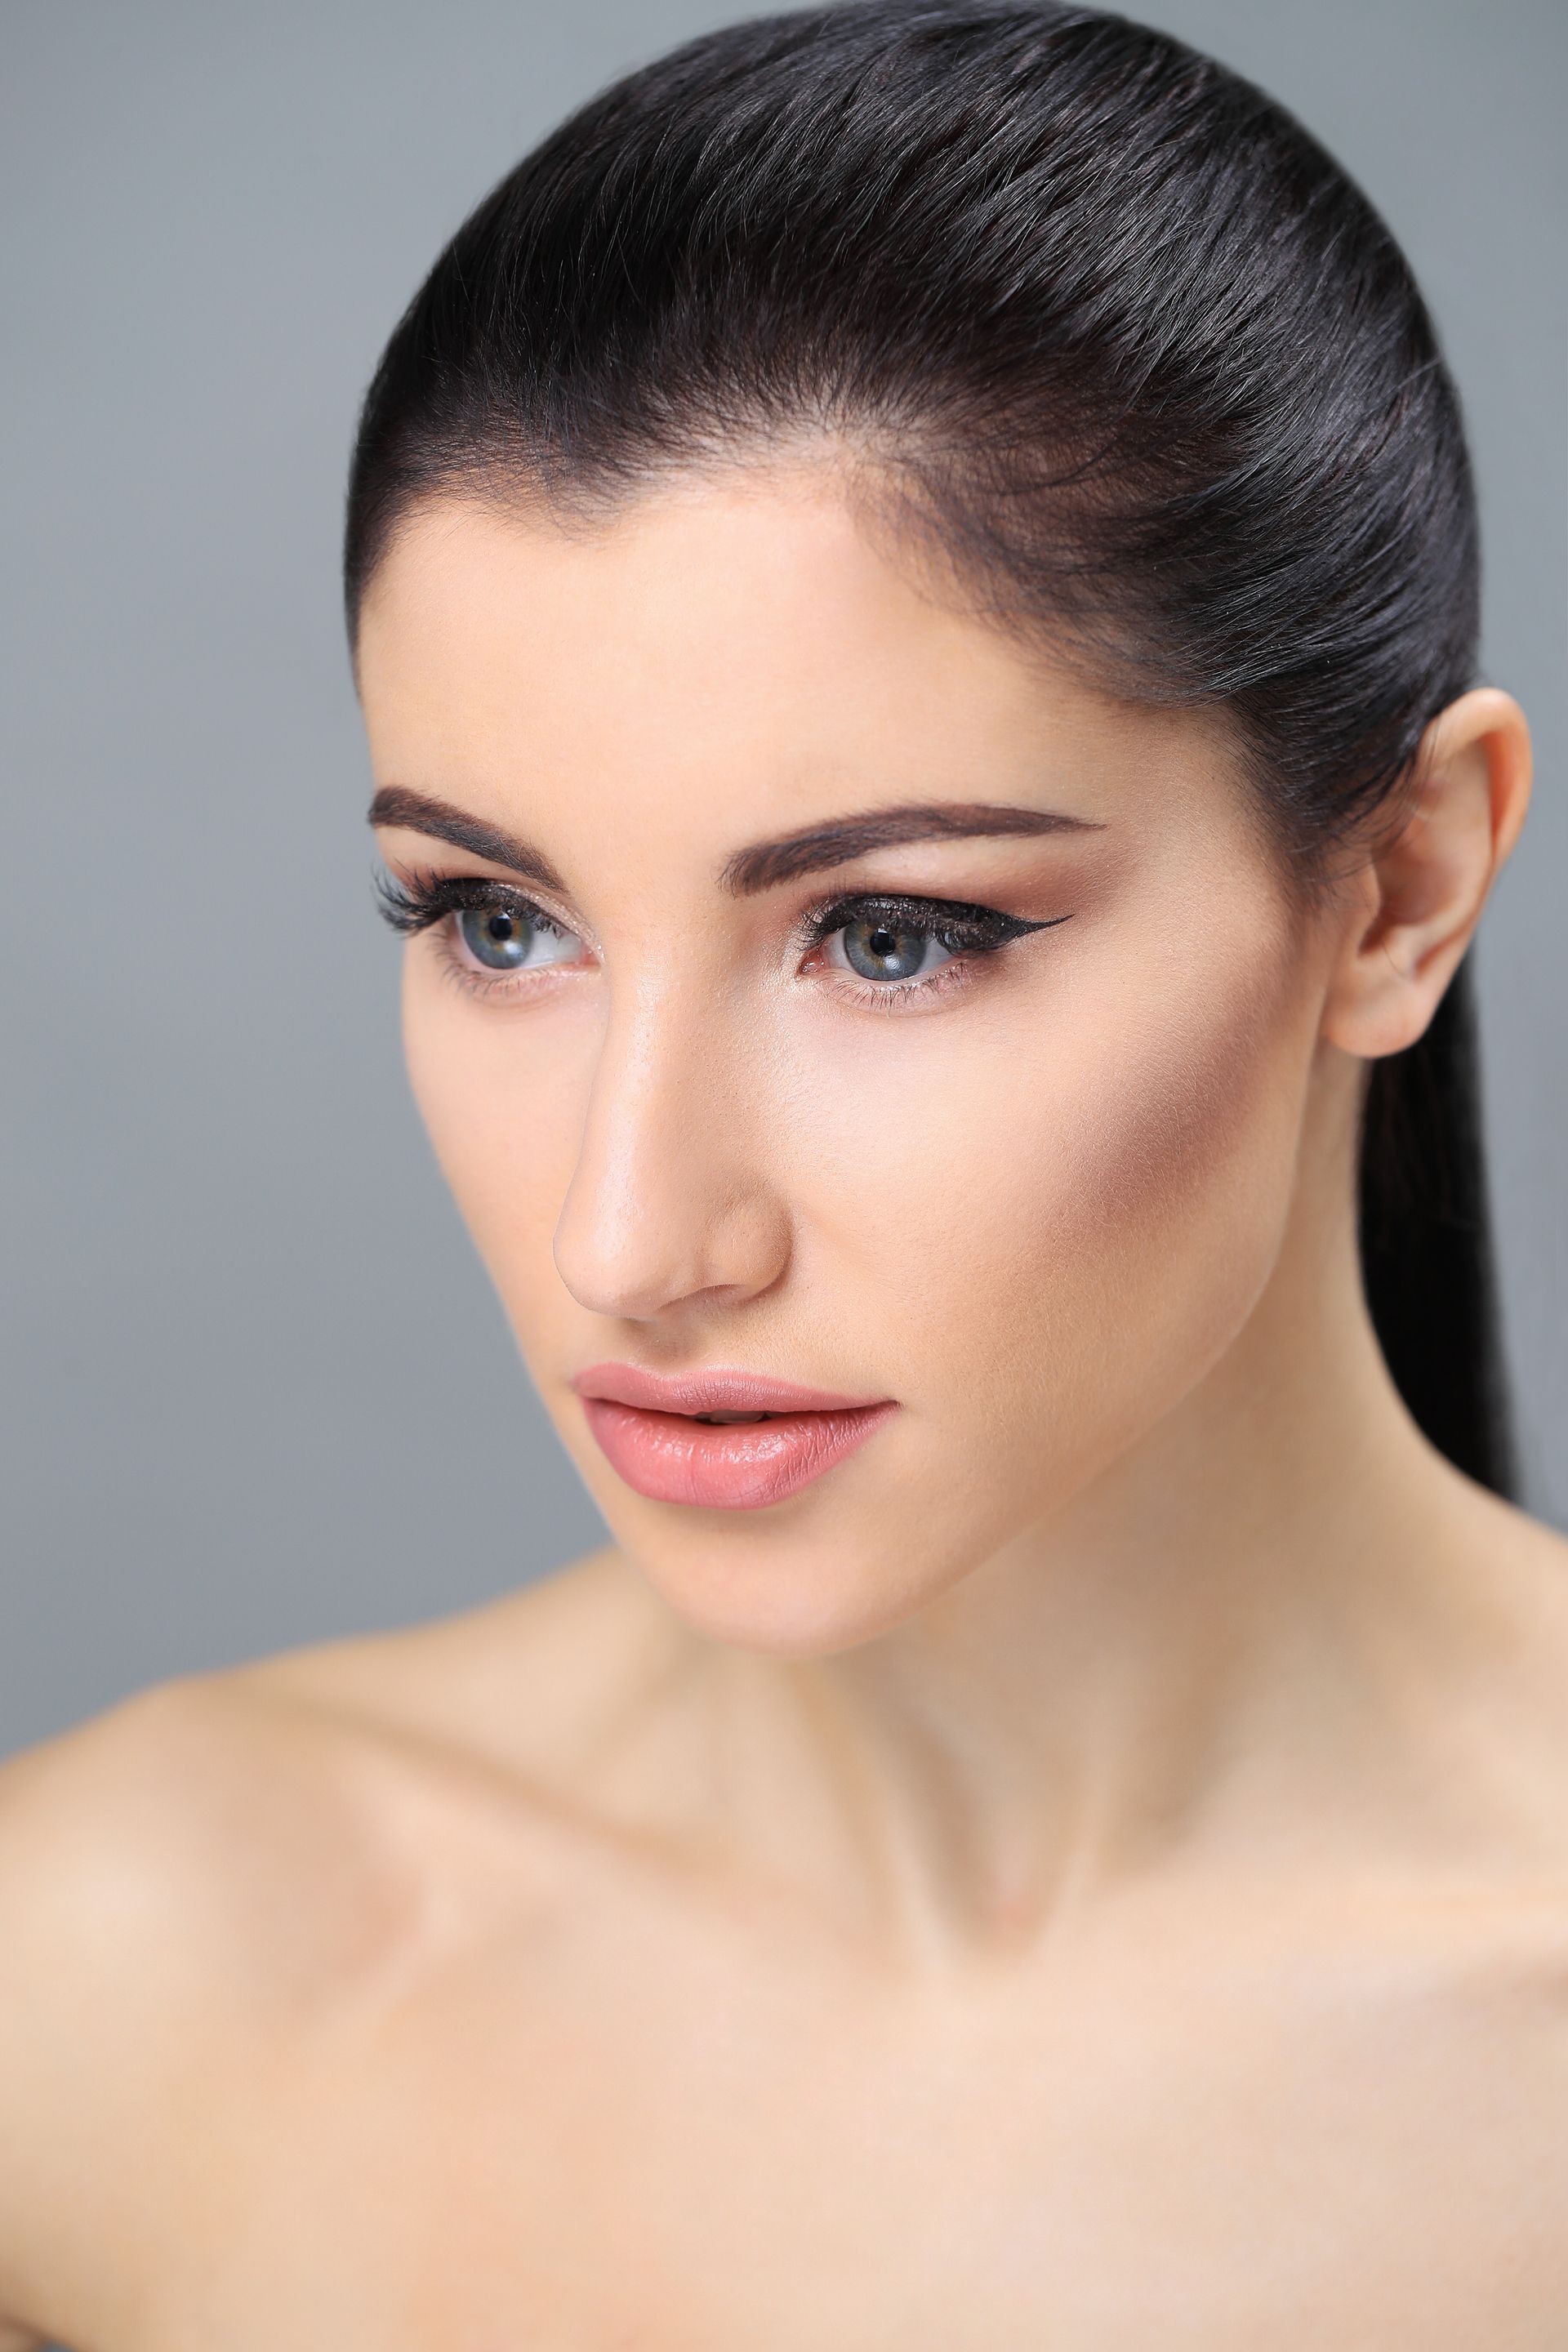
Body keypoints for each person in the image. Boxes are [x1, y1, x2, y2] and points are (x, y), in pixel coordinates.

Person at [2, 3, 1564, 2342]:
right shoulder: (109, 1987)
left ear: (1401, 887)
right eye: (494, 922)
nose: (631, 1240)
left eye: (894, 938)